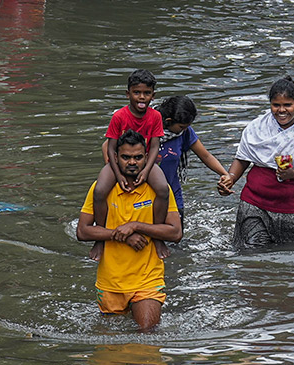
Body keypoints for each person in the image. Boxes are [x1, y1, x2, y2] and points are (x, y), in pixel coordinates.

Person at [77, 130, 182, 331]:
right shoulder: (101, 188)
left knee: (147, 333)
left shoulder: (159, 189)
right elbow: (82, 231)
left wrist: (136, 226)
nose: (132, 162)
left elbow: (175, 233)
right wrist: (125, 236)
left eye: (137, 157)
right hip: (110, 282)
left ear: (146, 158)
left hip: (147, 279)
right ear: (115, 158)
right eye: (126, 157)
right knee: (111, 347)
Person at [219, 75, 294, 249]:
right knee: (250, 253)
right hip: (254, 203)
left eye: (287, 105)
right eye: (276, 105)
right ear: (270, 105)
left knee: (290, 259)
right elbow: (243, 158)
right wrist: (230, 178)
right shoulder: (256, 128)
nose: (281, 110)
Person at [89, 69, 170, 261]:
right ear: (128, 94)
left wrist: (146, 170)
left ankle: (158, 236)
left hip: (145, 162)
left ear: (153, 95)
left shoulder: (155, 117)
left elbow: (155, 146)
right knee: (100, 191)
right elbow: (110, 148)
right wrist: (118, 175)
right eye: (137, 92)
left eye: (147, 93)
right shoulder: (119, 116)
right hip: (118, 163)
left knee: (162, 189)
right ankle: (99, 238)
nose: (141, 97)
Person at [154, 95, 231, 220]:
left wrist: (225, 174)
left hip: (172, 192)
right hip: (147, 194)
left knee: (176, 233)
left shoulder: (184, 132)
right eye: (181, 127)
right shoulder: (146, 129)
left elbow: (205, 155)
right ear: (168, 121)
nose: (184, 130)